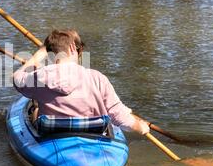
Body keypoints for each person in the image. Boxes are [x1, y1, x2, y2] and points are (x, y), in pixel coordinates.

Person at [13, 29, 149, 136]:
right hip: (92, 133)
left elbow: (16, 78)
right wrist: (139, 126)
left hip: (53, 134)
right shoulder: (97, 78)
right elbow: (117, 115)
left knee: (35, 108)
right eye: (80, 50)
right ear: (73, 48)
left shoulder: (39, 77)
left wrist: (37, 56)